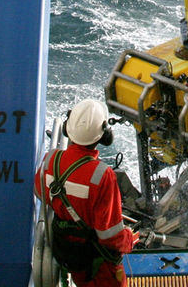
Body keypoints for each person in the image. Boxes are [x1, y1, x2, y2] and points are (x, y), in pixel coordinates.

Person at [35, 99, 139, 286]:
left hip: (66, 252)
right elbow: (109, 236)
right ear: (104, 135)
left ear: (68, 128)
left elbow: (39, 191)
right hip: (97, 262)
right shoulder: (102, 175)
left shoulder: (51, 160)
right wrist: (129, 239)